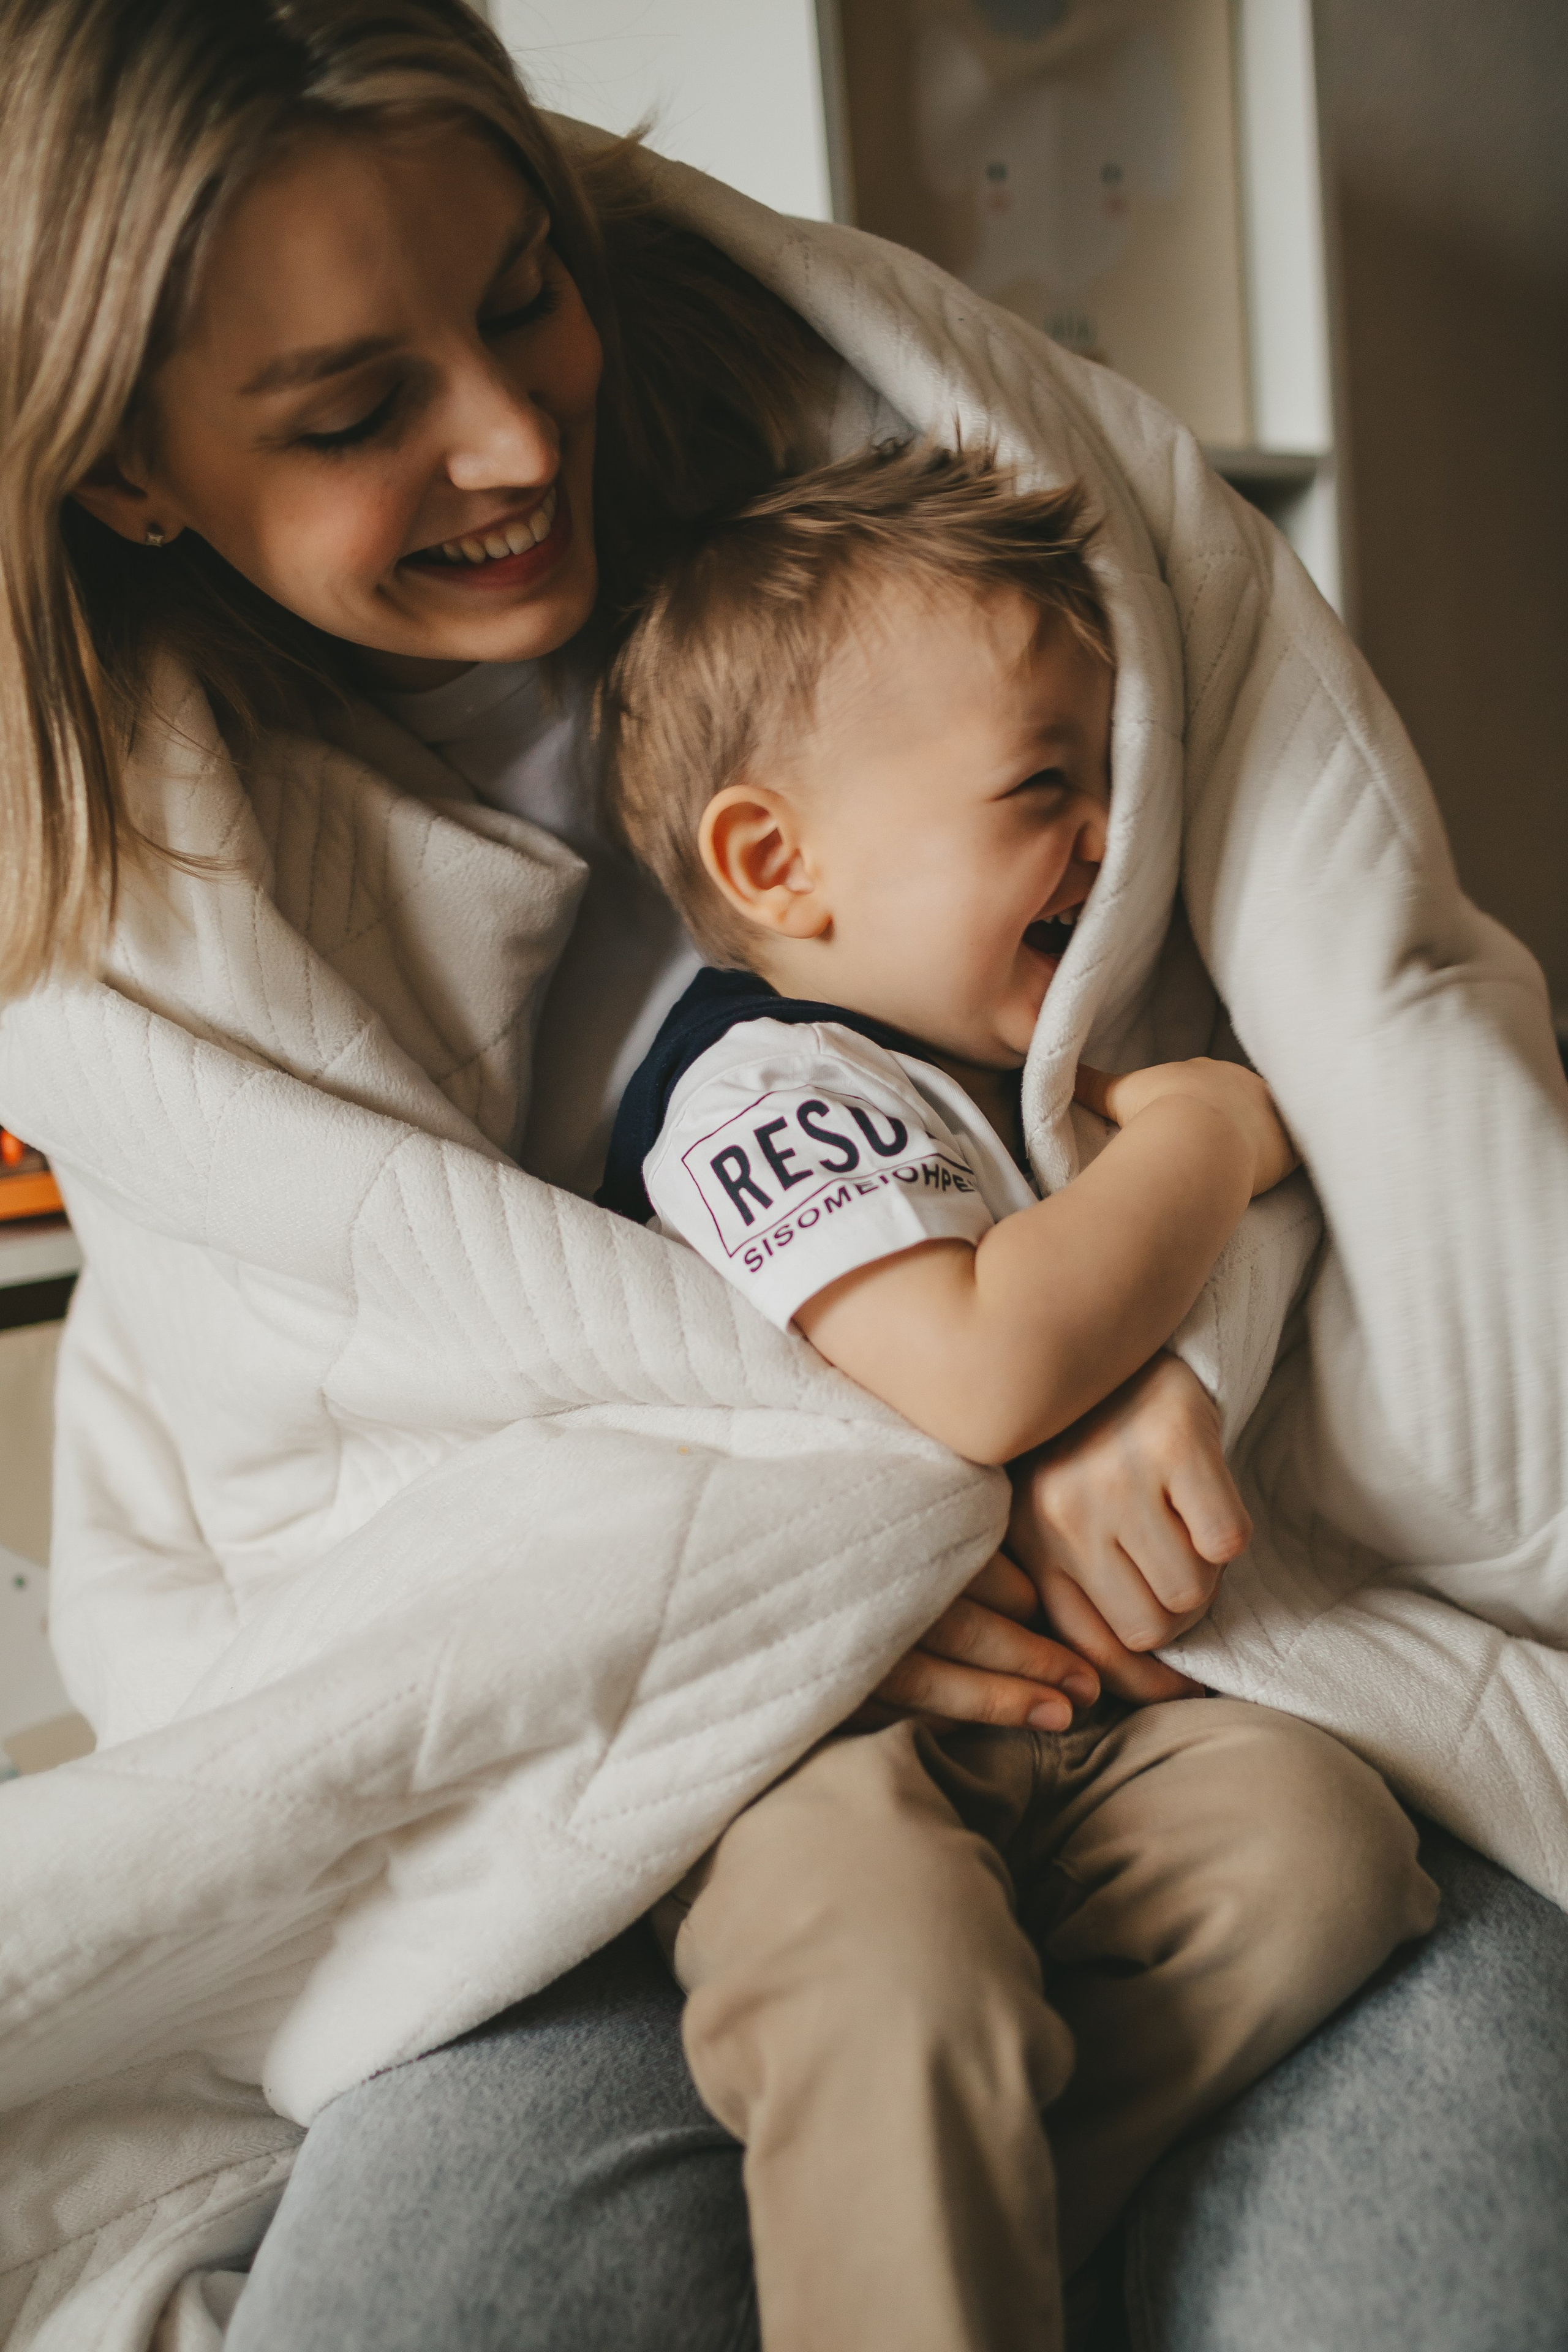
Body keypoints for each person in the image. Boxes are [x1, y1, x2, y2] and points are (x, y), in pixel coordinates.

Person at [0, 3, 1562, 2348]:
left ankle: (931, 2230)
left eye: (527, 289)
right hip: (647, 1749)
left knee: (1341, 1915)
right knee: (673, 2130)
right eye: (353, 412)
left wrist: (1187, 1333)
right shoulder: (139, 913)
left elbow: (1342, 993)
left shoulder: (895, 520)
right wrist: (856, 1527)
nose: (520, 434)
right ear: (125, 473)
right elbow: (334, 1443)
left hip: (1181, 1632)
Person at [590, 435, 1433, 2350]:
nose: (1107, 844)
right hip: (812, 1746)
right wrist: (1212, 1139)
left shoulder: (1023, 1079)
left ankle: (930, 2265)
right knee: (896, 1985)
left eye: (1120, 791)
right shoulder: (756, 1091)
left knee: (1323, 1855)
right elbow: (978, 1367)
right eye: (1043, 788)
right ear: (774, 863)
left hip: (1072, 1736)